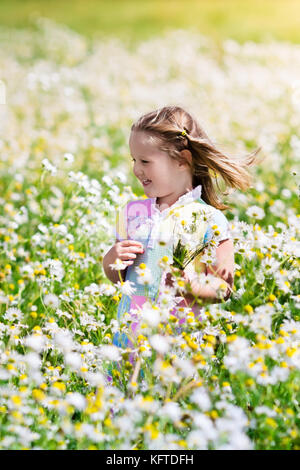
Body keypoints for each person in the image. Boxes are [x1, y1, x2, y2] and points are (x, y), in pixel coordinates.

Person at [103, 105, 261, 377]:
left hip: (179, 342)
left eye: (145, 161)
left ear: (182, 160)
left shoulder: (210, 219)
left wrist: (190, 286)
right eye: (134, 161)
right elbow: (122, 279)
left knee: (170, 408)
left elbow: (224, 287)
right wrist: (111, 260)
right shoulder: (133, 213)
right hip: (130, 337)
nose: (136, 170)